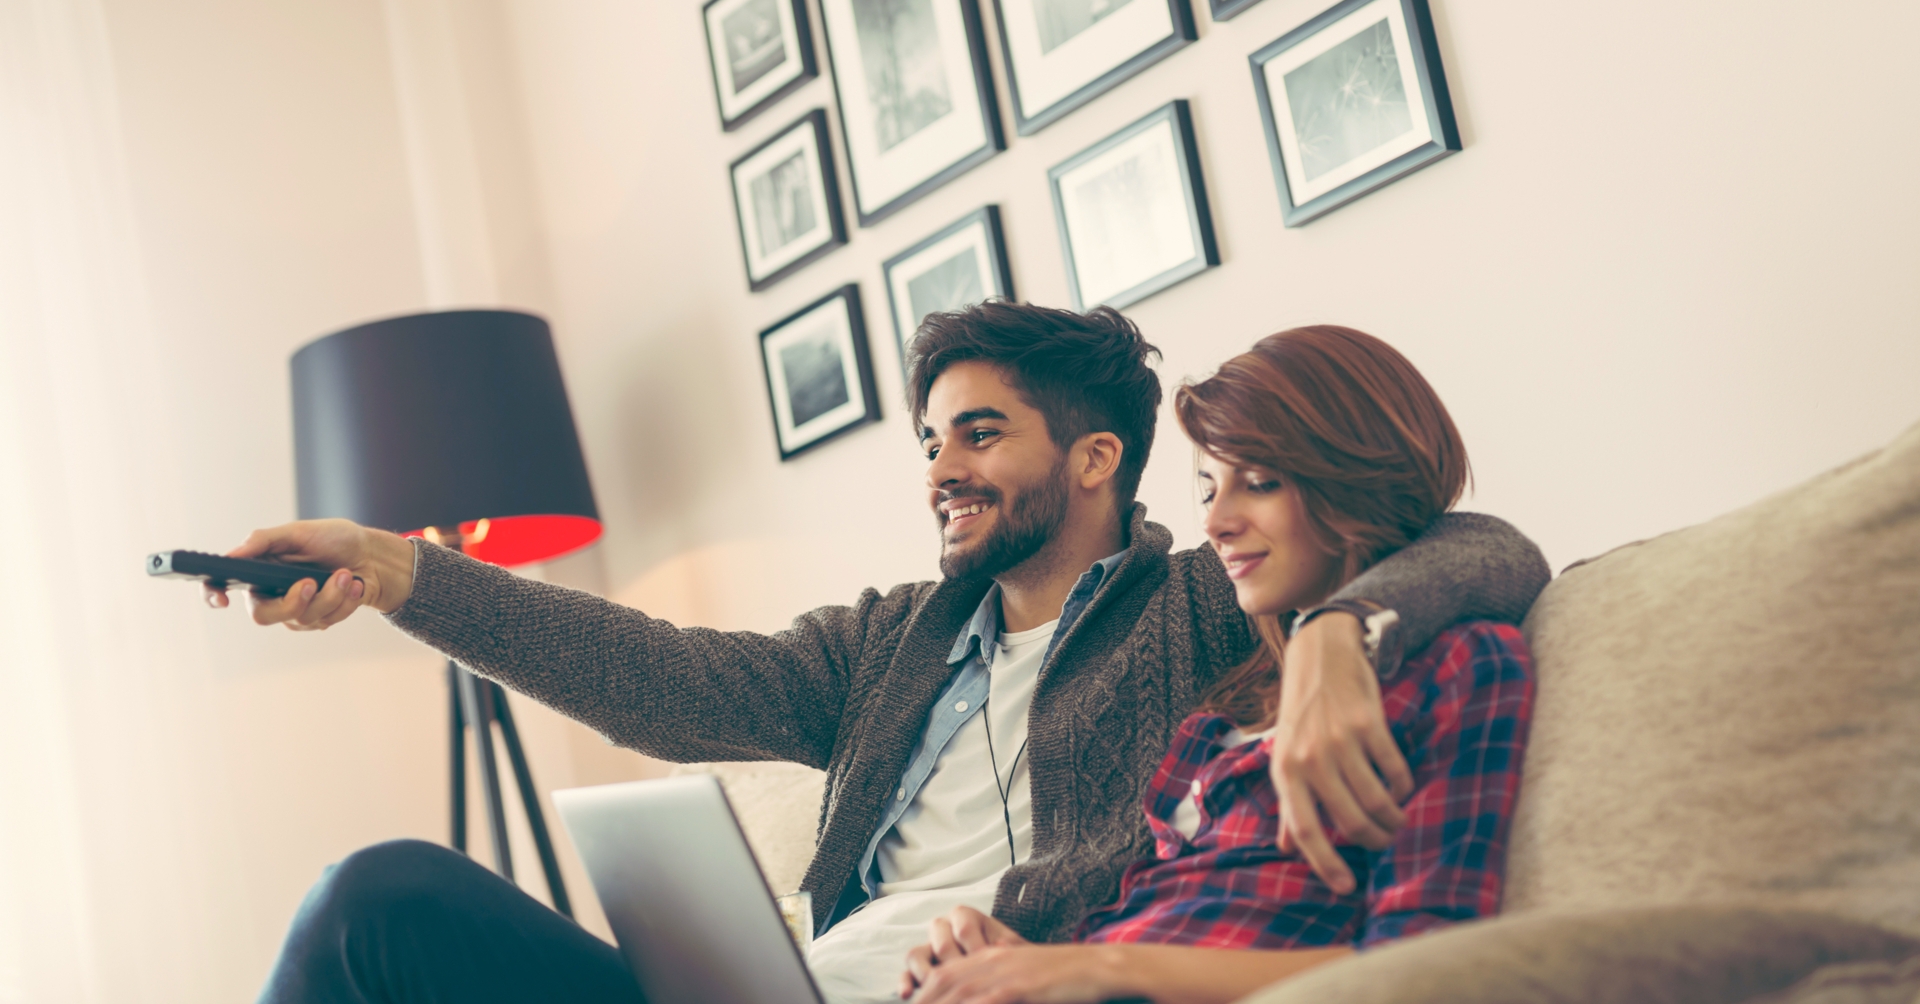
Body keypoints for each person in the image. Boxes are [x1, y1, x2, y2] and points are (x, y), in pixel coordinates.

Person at [215, 303, 1549, 1004]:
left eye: (976, 435)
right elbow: (666, 684)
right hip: (769, 988)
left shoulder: (1201, 603)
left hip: (994, 990)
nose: (939, 471)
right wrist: (404, 573)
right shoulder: (889, 642)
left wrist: (1336, 631)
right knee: (376, 902)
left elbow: (1481, 541)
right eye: (928, 441)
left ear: (1092, 460)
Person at [898, 325, 1535, 1004]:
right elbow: (1164, 914)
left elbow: (1427, 964)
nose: (1216, 521)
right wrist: (1014, 961)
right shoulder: (1232, 702)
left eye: (1257, 482)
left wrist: (1093, 970)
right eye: (1207, 489)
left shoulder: (1463, 665)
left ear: (1359, 477)